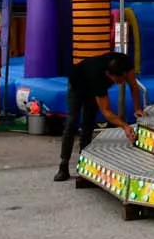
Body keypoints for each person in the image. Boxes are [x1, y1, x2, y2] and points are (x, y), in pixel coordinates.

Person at [54, 51, 146, 182]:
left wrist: (137, 108)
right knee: (72, 122)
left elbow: (133, 86)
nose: (121, 82)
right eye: (117, 80)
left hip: (93, 81)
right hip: (78, 85)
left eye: (123, 78)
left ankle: (84, 166)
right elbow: (106, 111)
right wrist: (125, 126)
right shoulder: (98, 78)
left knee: (89, 124)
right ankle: (63, 166)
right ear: (109, 75)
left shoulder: (124, 62)